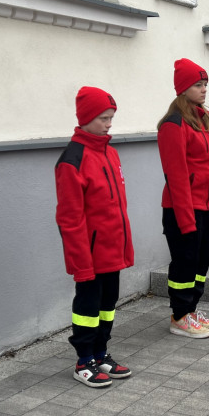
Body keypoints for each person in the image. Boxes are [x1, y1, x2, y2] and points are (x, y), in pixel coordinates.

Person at [56, 87, 135, 388]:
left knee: (108, 304)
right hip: (88, 255)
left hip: (111, 250)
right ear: (87, 118)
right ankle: (83, 361)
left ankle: (101, 353)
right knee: (88, 307)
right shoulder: (72, 159)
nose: (109, 123)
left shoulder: (110, 153)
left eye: (111, 117)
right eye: (103, 118)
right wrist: (81, 262)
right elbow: (70, 218)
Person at [158, 58, 209, 337]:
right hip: (183, 210)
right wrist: (187, 220)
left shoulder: (206, 121)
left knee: (200, 266)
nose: (204, 89)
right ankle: (179, 316)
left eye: (205, 84)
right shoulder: (173, 124)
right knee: (184, 264)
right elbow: (176, 177)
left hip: (206, 207)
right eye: (198, 85)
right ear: (183, 88)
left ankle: (192, 310)